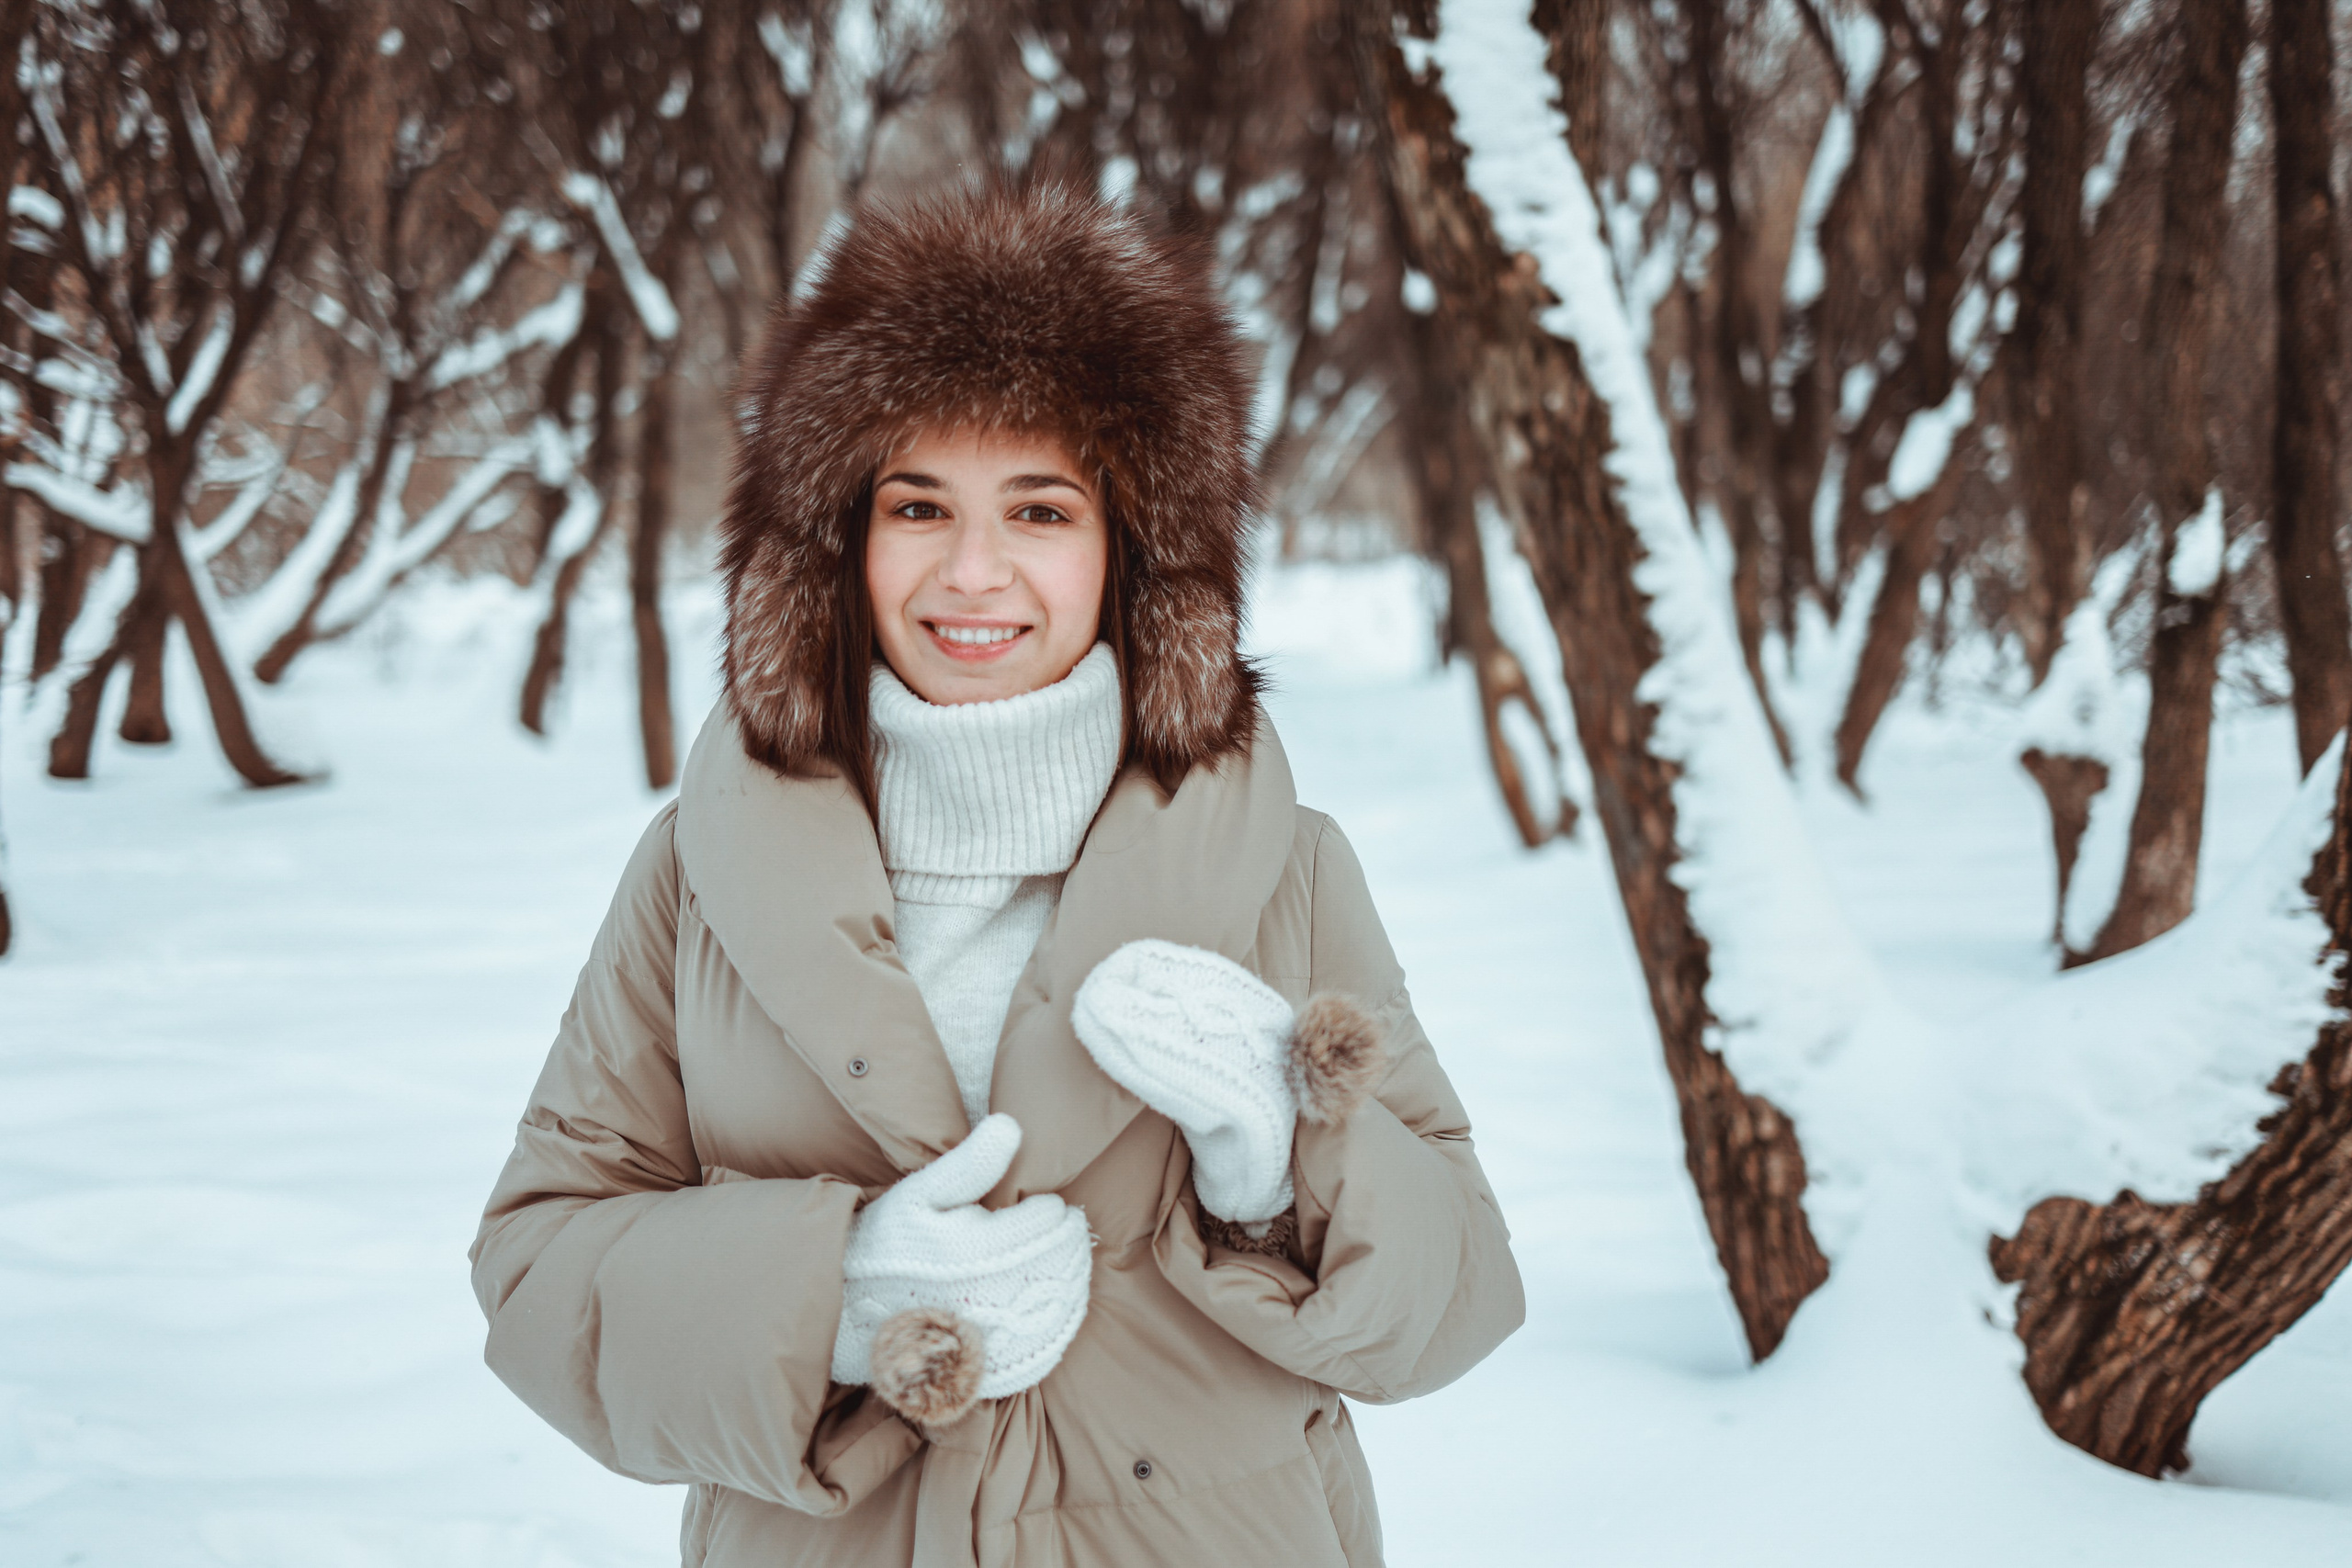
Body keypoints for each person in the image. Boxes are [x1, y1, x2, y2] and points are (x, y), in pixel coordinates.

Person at [469, 183, 1523, 1568]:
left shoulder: (1284, 865)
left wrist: (1280, 1152)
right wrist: (835, 1297)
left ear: (1130, 553)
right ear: (839, 543)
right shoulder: (696, 877)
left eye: (1040, 509)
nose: (974, 573)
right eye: (919, 506)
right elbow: (541, 1271)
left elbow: (1459, 1292)